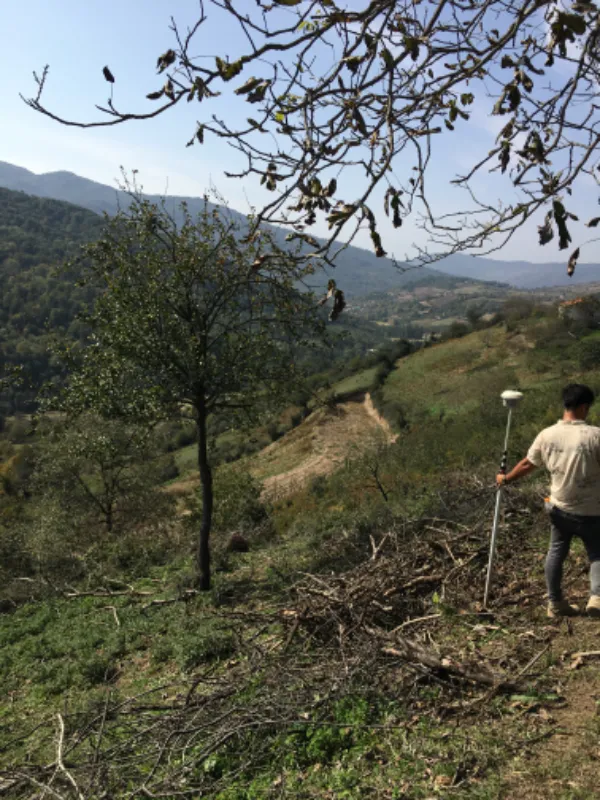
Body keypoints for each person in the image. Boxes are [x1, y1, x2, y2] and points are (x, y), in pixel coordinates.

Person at [497, 384, 600, 618]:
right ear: (584, 407)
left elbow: (527, 464)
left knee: (556, 552)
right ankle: (596, 598)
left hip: (560, 509)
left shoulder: (547, 435)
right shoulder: (595, 435)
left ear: (566, 405)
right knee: (597, 553)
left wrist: (506, 479)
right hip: (593, 510)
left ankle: (555, 603)